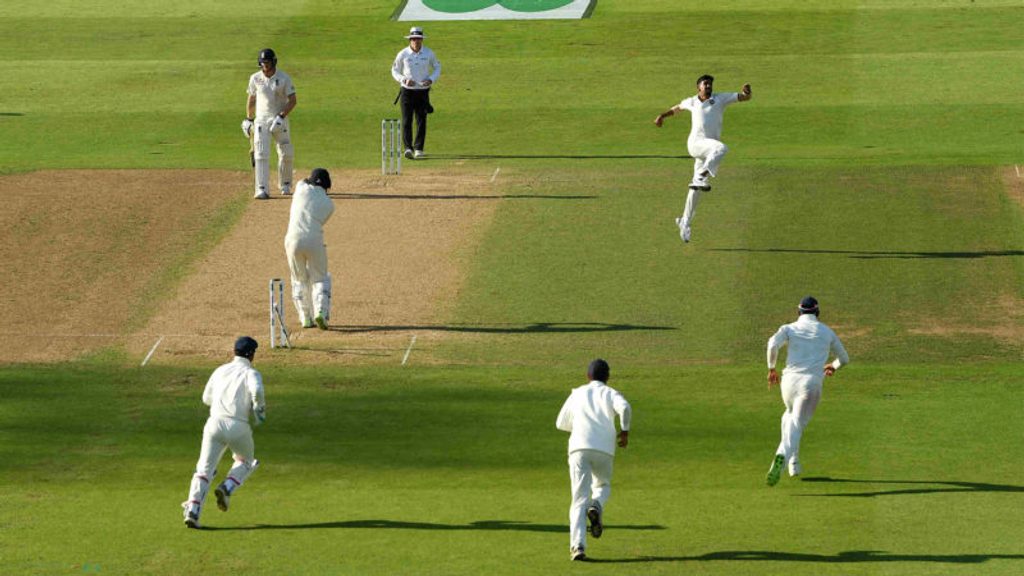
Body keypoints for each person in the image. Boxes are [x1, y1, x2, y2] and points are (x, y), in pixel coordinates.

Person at [653, 74, 752, 243]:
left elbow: (743, 97)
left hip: (707, 151)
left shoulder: (720, 98)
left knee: (696, 190)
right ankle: (702, 176)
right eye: (705, 84)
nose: (708, 86)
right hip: (696, 144)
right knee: (721, 148)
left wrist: (746, 92)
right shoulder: (692, 101)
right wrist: (662, 116)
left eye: (710, 84)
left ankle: (685, 222)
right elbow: (677, 108)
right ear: (698, 87)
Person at [764, 297, 849, 487]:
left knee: (789, 416)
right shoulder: (827, 331)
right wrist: (833, 366)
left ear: (799, 312)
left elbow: (772, 344)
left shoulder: (789, 328)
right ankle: (781, 457)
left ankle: (794, 462)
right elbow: (844, 358)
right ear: (817, 312)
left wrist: (771, 368)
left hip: (788, 382)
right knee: (797, 423)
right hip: (810, 384)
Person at [182, 336, 266, 528]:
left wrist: (222, 402)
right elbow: (258, 391)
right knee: (247, 461)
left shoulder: (220, 370)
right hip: (239, 426)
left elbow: (206, 398)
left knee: (204, 469)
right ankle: (227, 486)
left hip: (214, 424)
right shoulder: (251, 373)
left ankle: (193, 510)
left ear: (234, 351)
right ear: (252, 354)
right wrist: (259, 410)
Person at [556, 359, 632, 562]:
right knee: (603, 486)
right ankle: (597, 505)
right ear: (607, 377)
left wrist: (581, 426)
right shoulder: (611, 393)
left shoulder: (577, 393)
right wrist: (624, 431)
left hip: (579, 449)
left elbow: (560, 423)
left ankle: (578, 546)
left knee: (578, 499)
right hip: (605, 449)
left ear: (587, 376)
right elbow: (625, 408)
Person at [242, 48, 297, 200]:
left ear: (274, 62)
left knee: (286, 152)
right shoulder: (255, 78)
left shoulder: (284, 78)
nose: (265, 66)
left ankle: (285, 184)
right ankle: (261, 188)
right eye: (263, 63)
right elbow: (252, 99)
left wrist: (281, 116)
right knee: (260, 153)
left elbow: (293, 100)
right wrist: (248, 119)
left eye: (268, 62)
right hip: (261, 120)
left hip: (280, 119)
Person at [285, 168, 336, 330]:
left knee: (299, 279)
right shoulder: (329, 205)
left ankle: (305, 317)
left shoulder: (301, 188)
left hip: (292, 240)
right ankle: (320, 312)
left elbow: (304, 180)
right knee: (320, 279)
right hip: (314, 240)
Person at [391, 26, 441, 160]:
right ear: (410, 40)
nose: (416, 42)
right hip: (407, 92)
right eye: (413, 39)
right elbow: (395, 70)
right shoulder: (403, 54)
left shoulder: (429, 53)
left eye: (418, 39)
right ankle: (408, 148)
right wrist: (403, 79)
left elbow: (437, 67)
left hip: (423, 92)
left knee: (421, 120)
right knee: (407, 120)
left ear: (422, 40)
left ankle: (418, 148)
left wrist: (430, 79)